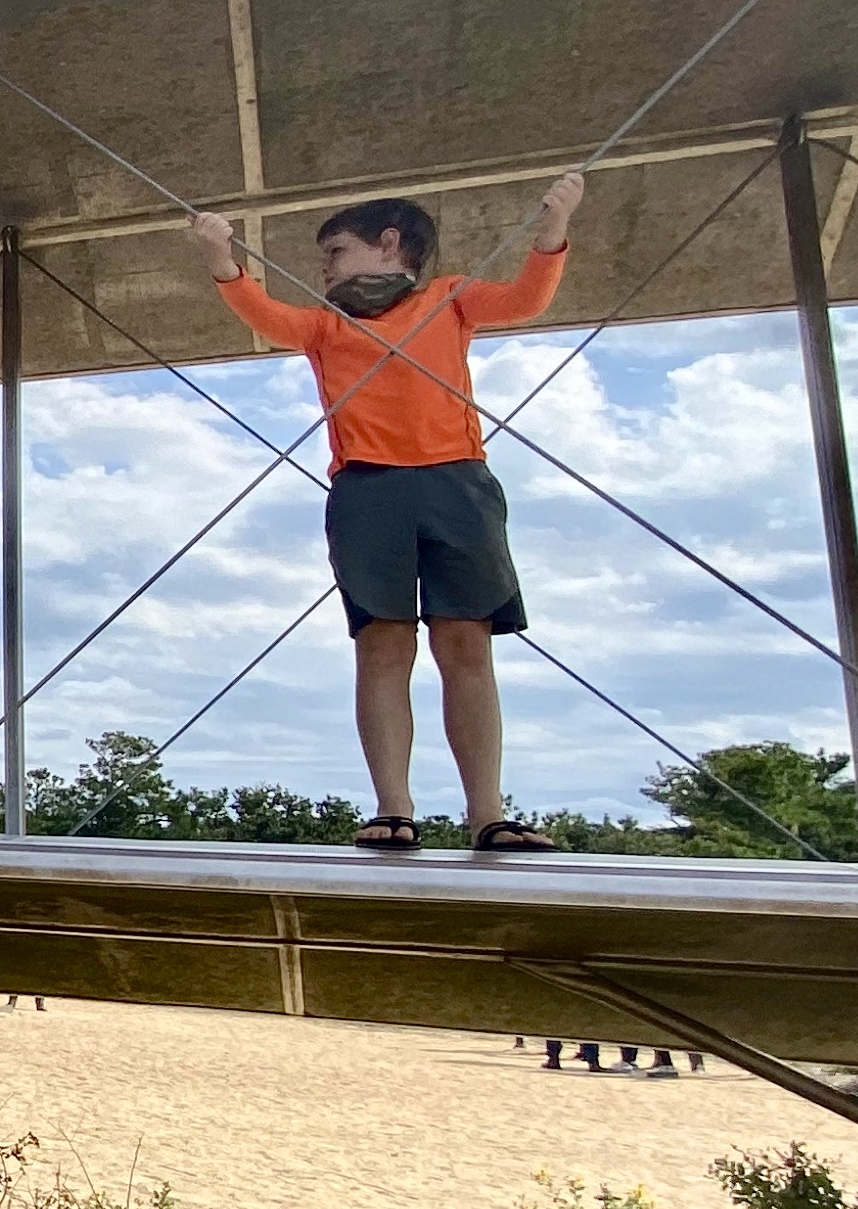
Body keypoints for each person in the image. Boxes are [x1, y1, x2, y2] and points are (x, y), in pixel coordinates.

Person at [186, 176, 586, 853]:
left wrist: (553, 229)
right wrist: (222, 257)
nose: (326, 267)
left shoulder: (448, 297)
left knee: (466, 641)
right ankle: (394, 805)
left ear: (388, 244)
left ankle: (487, 810)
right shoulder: (324, 323)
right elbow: (262, 311)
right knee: (383, 643)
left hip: (456, 480)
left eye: (336, 251)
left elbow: (525, 300)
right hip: (369, 489)